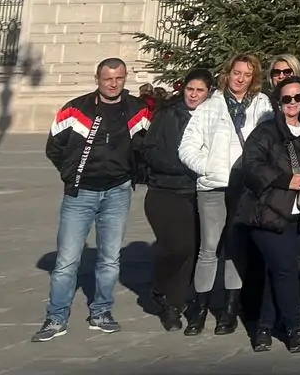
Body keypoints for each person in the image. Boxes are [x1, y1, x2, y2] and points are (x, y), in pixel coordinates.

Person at [34, 57, 152, 343]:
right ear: (97, 79)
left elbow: (146, 147)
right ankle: (56, 317)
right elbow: (54, 146)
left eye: (119, 78)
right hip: (80, 193)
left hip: (118, 192)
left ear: (126, 78)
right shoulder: (76, 108)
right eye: (108, 78)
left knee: (110, 259)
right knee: (66, 261)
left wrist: (135, 174)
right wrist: (71, 173)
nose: (113, 84)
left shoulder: (138, 110)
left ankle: (101, 312)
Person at [234, 75, 300, 353]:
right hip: (266, 213)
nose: (292, 103)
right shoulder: (266, 132)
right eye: (286, 98)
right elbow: (251, 165)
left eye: (298, 97)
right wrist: (284, 179)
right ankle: (294, 328)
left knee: (277, 271)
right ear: (279, 102)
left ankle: (264, 328)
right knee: (286, 269)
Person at [178, 52, 272, 336]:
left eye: (247, 74)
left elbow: (270, 141)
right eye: (236, 73)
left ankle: (230, 310)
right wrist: (207, 169)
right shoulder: (210, 106)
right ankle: (199, 308)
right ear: (228, 73)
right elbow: (187, 147)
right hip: (215, 187)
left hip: (246, 187)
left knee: (235, 249)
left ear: (253, 77)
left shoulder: (262, 104)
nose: (240, 78)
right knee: (209, 249)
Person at [136, 68, 212, 332]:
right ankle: (159, 286)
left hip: (197, 192)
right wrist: (186, 166)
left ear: (208, 93)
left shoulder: (212, 116)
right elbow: (150, 150)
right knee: (176, 247)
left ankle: (173, 307)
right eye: (190, 89)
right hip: (165, 190)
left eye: (200, 90)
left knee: (190, 250)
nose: (193, 94)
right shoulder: (168, 114)